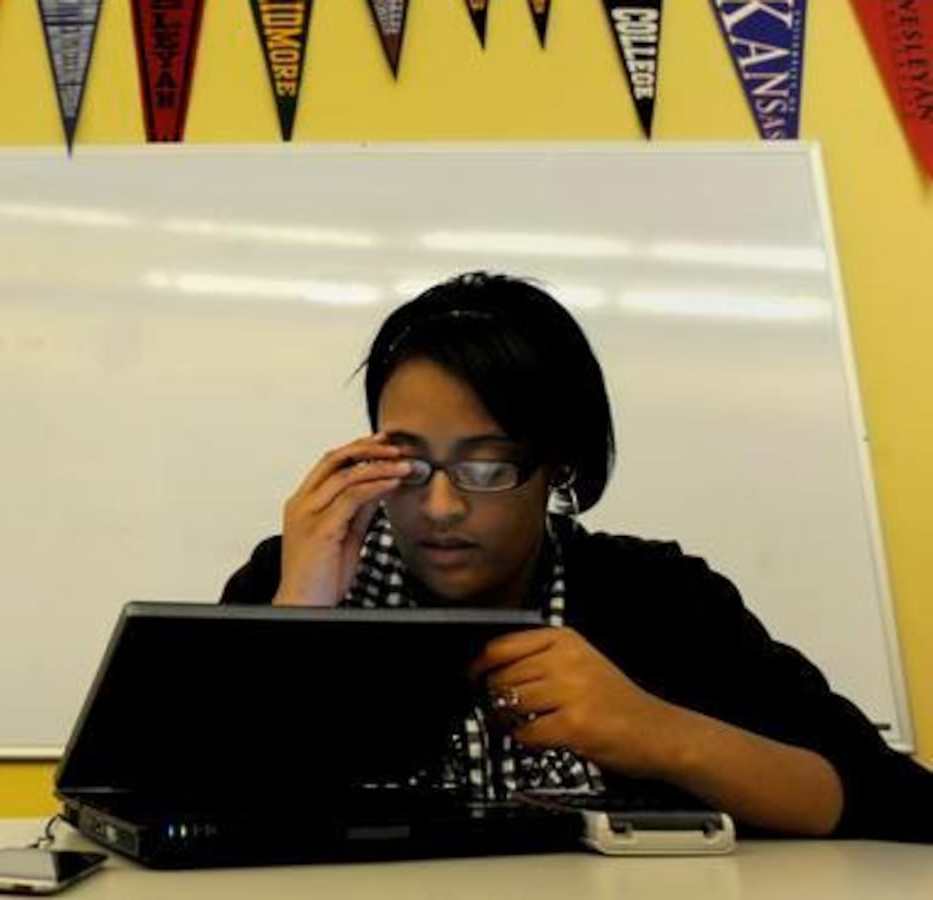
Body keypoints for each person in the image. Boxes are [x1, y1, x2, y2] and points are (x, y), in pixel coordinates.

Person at [219, 272, 933, 841]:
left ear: (559, 467)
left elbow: (885, 796)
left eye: (489, 466)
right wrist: (300, 626)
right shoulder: (295, 574)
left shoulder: (657, 597)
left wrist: (656, 733)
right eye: (407, 463)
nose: (439, 507)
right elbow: (164, 818)